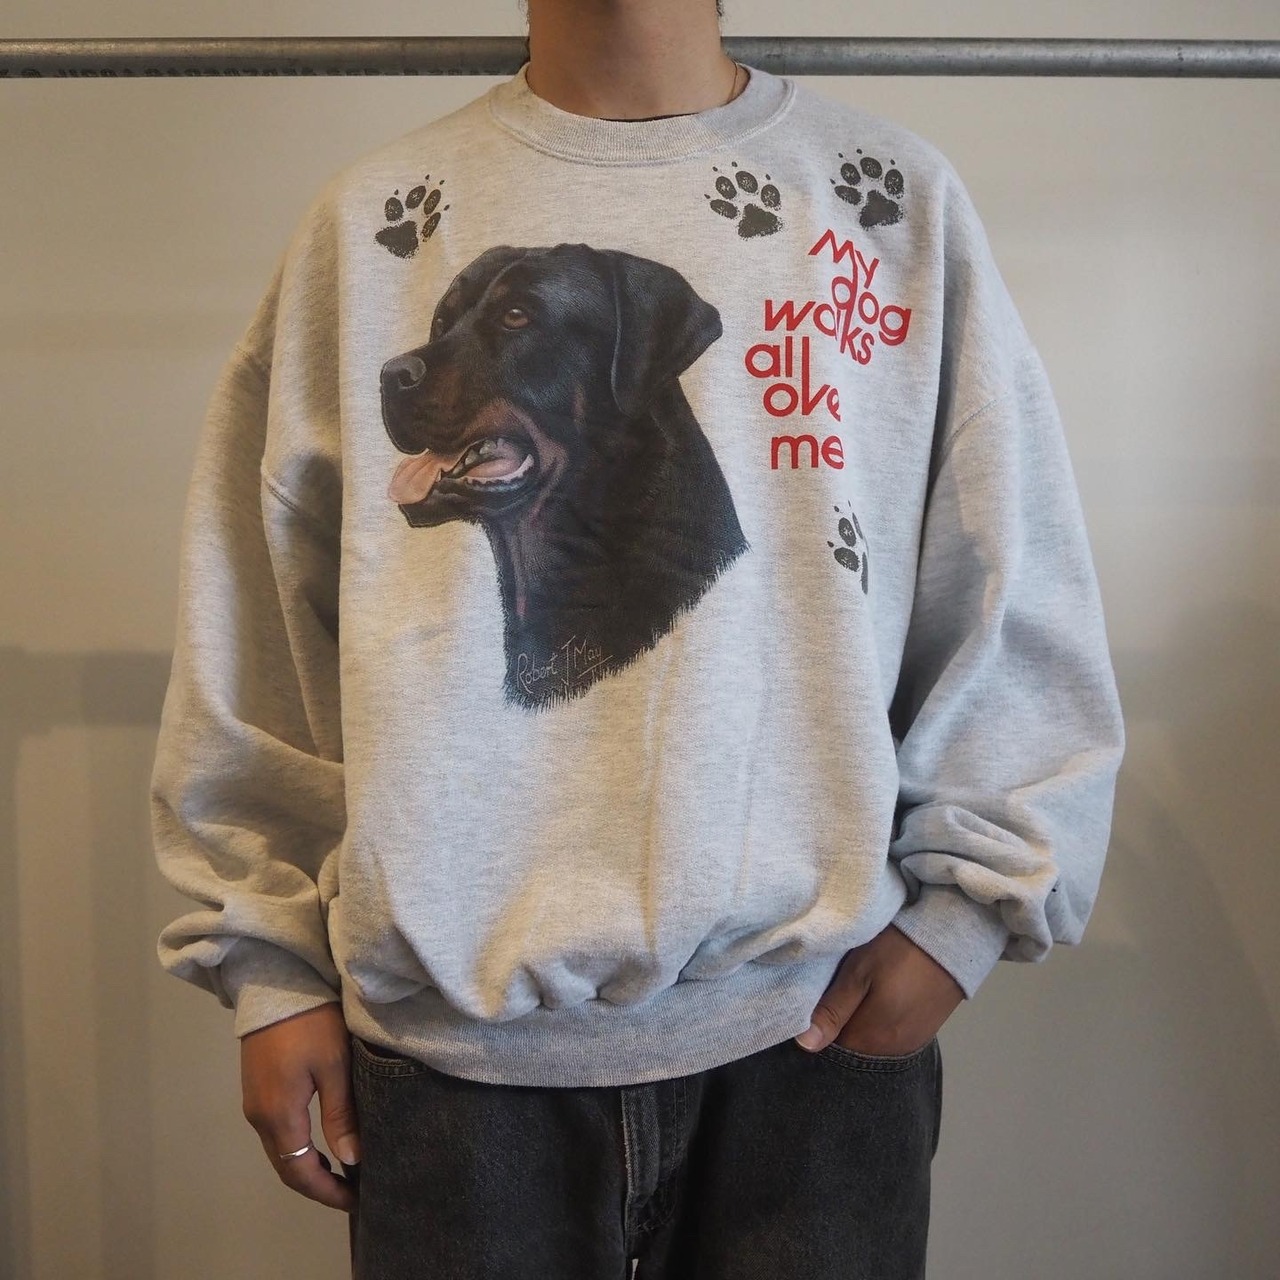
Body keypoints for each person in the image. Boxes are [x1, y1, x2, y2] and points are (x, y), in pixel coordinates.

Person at [149, 1, 1127, 1275]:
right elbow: (259, 615)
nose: (425, 364)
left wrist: (966, 912)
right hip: (454, 1059)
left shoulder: (882, 208)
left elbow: (1011, 577)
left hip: (807, 1039)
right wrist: (267, 958)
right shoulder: (370, 221)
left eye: (507, 327)